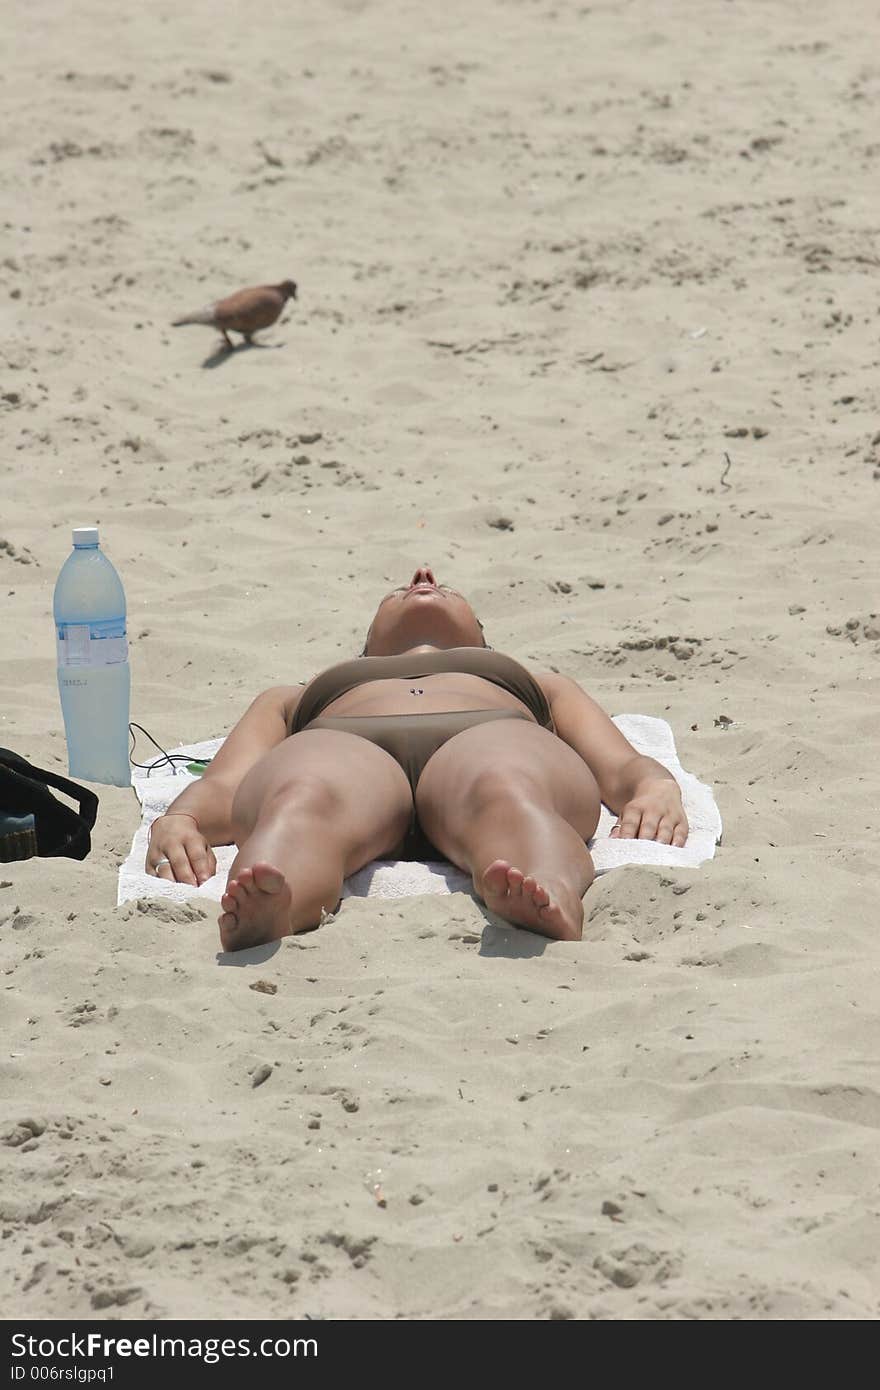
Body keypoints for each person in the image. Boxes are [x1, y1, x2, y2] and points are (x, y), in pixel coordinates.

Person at [146, 567, 688, 950]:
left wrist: (655, 787)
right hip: (344, 743)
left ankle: (550, 891)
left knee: (506, 786)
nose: (423, 576)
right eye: (401, 588)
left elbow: (618, 767)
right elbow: (227, 784)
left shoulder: (538, 685)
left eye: (442, 585)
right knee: (302, 794)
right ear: (364, 650)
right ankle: (276, 903)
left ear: (482, 643)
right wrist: (182, 819)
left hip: (490, 733)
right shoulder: (296, 695)